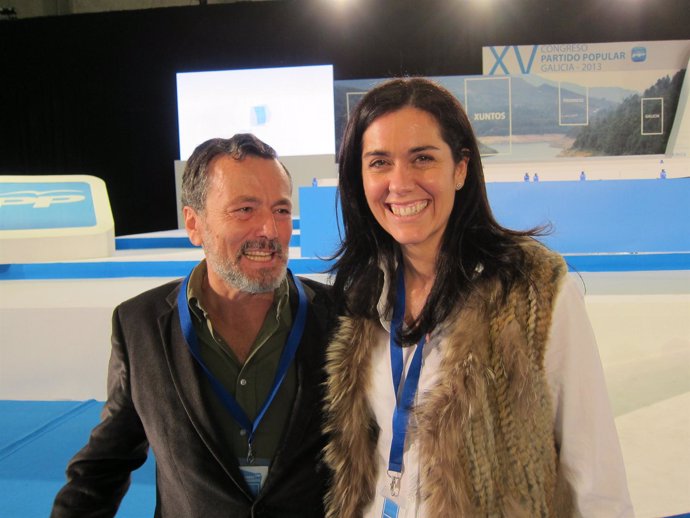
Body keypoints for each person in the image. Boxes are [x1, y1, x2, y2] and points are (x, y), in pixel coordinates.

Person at [322, 78, 633, 517]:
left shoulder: (534, 294)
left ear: (461, 168)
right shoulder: (361, 298)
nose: (400, 183)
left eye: (422, 158)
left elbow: (597, 480)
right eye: (379, 162)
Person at [51, 134, 333, 517]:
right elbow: (104, 465)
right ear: (194, 224)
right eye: (245, 209)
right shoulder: (140, 326)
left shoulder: (340, 316)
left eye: (281, 210)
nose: (269, 229)